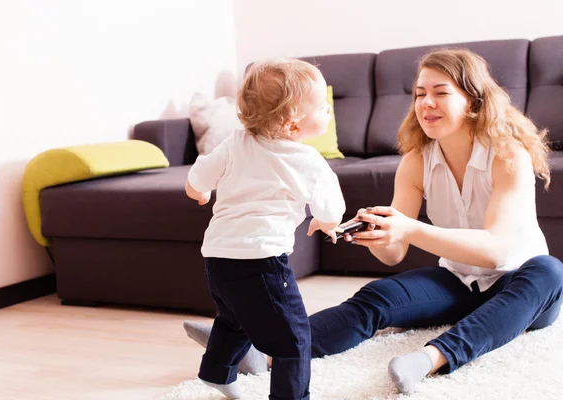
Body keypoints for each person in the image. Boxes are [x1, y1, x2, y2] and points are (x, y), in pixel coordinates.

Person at [184, 48, 563, 395]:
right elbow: (394, 254)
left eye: (440, 92)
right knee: (377, 297)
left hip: (521, 284)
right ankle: (258, 351)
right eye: (418, 93)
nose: (425, 103)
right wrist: (380, 232)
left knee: (551, 271)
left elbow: (496, 251)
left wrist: (411, 228)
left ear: (473, 99)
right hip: (459, 281)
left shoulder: (507, 155)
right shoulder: (418, 160)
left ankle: (431, 359)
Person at [184, 58, 346, 400]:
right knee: (295, 338)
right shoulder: (307, 162)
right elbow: (332, 209)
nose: (328, 110)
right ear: (291, 127)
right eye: (322, 107)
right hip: (262, 264)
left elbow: (197, 178)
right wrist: (325, 223)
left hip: (217, 258)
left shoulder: (234, 142)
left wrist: (200, 191)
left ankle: (217, 372)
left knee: (234, 318)